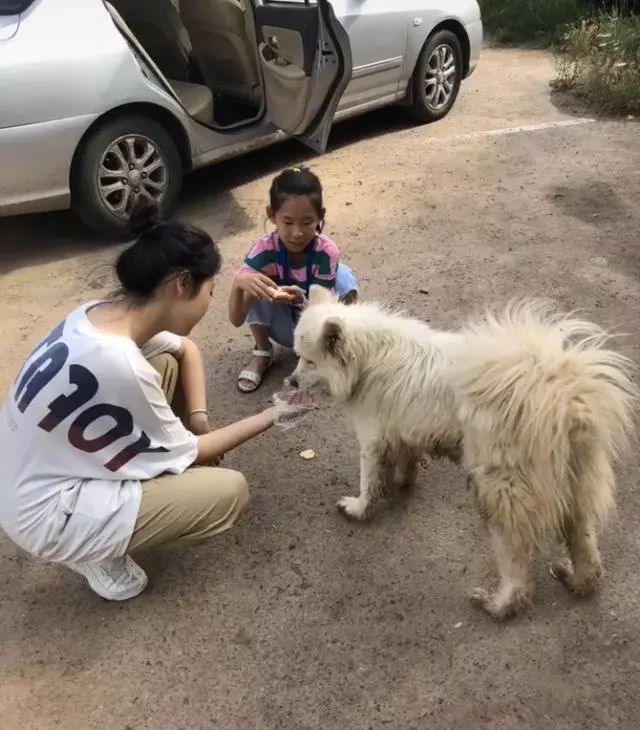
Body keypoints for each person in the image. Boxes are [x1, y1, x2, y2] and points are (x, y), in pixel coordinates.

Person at [0, 205, 305, 601]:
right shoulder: (121, 364)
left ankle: (128, 484)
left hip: (23, 476)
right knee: (228, 491)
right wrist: (274, 413)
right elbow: (201, 453)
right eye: (209, 293)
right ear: (181, 284)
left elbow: (186, 351)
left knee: (164, 358)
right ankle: (95, 550)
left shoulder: (95, 314)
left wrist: (198, 421)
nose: (207, 306)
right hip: (44, 515)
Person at [228, 167, 358, 393]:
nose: (296, 233)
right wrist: (239, 283)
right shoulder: (263, 251)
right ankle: (263, 351)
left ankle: (333, 354)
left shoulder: (326, 252)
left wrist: (303, 301)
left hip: (312, 328)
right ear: (272, 215)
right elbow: (236, 319)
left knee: (345, 279)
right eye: (287, 222)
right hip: (282, 325)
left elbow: (322, 314)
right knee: (252, 283)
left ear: (320, 217)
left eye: (307, 222)